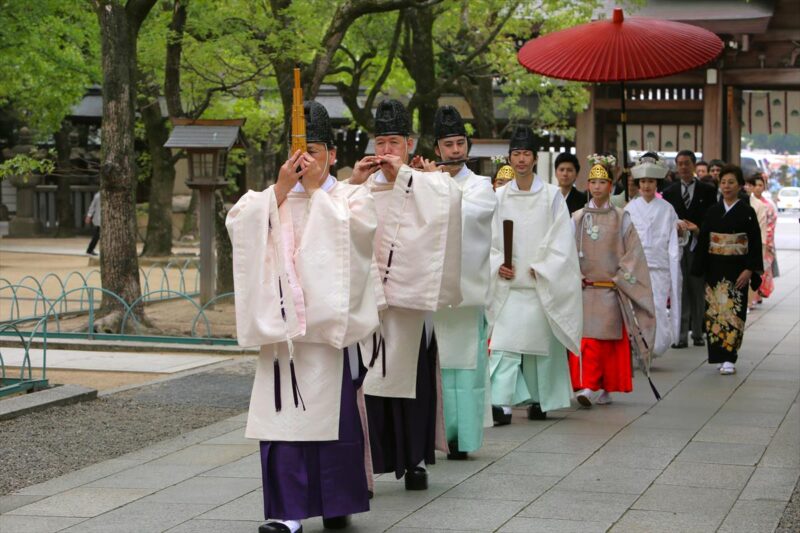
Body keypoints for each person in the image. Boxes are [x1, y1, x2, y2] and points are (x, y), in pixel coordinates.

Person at [227, 101, 379, 533]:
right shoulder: (268, 199)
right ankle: (287, 511)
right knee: (283, 421)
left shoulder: (348, 196)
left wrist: (316, 193)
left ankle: (336, 504)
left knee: (333, 420)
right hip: (282, 334)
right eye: (297, 150)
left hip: (326, 334)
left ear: (330, 153)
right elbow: (239, 224)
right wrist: (278, 192)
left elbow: (358, 238)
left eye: (313, 150)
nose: (304, 160)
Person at [350, 99, 462, 491]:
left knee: (409, 381)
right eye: (380, 143)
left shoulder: (426, 184)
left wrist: (415, 179)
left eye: (393, 142)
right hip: (367, 300)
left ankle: (414, 459)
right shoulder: (359, 187)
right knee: (366, 383)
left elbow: (450, 203)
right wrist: (351, 184)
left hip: (408, 302)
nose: (385, 152)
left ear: (410, 145)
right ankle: (365, 465)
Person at [488, 125, 583, 420]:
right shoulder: (499, 197)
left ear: (534, 157)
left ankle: (540, 400)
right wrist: (497, 264)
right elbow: (489, 240)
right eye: (516, 154)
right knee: (504, 345)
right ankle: (501, 402)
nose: (521, 160)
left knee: (540, 347)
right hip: (509, 285)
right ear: (508, 158)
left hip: (540, 281)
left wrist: (543, 267)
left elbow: (562, 241)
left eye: (526, 153)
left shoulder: (552, 196)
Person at [429, 106, 496, 459]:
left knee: (465, 371)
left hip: (465, 295)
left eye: (460, 143)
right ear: (437, 149)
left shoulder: (482, 186)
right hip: (431, 296)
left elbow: (472, 218)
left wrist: (433, 190)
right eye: (448, 145)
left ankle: (462, 440)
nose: (455, 151)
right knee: (432, 368)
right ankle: (431, 436)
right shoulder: (426, 182)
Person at [568, 158, 656, 407]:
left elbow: (634, 255)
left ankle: (601, 385)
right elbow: (565, 252)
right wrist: (574, 275)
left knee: (605, 341)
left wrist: (620, 278)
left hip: (610, 289)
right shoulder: (576, 218)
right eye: (593, 182)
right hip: (584, 288)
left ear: (610, 186)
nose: (597, 187)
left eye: (602, 182)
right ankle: (589, 384)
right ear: (587, 185)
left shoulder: (621, 217)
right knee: (587, 341)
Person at [692, 165, 763, 375]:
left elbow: (755, 243)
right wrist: (701, 270)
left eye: (731, 182)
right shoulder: (713, 211)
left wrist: (750, 269)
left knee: (734, 312)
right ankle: (717, 355)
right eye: (723, 182)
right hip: (715, 269)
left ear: (740, 185)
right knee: (715, 313)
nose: (726, 186)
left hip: (738, 269)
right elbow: (705, 239)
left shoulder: (747, 212)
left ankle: (730, 357)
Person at [625, 155, 682, 358]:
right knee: (636, 307)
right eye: (643, 181)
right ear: (638, 184)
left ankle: (655, 346)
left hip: (659, 266)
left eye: (650, 181)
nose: (647, 185)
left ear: (657, 183)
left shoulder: (667, 209)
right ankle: (638, 346)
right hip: (636, 267)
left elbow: (674, 241)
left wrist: (680, 235)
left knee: (657, 306)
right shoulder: (630, 209)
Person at [662, 150, 718, 348]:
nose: (683, 167)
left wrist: (698, 229)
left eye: (687, 163)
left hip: (697, 245)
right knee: (680, 289)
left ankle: (698, 333)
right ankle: (681, 334)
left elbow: (712, 219)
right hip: (676, 247)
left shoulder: (708, 190)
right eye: (680, 164)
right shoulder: (669, 192)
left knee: (696, 289)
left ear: (694, 165)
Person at [749, 173, 778, 300]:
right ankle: (753, 297)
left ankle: (757, 295)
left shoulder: (768, 205)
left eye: (761, 185)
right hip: (751, 239)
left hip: (764, 239)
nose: (758, 188)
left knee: (763, 269)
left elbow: (771, 224)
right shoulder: (747, 201)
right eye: (755, 185)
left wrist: (766, 241)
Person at [744, 175, 771, 308]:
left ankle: (749, 302)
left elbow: (762, 227)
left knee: (751, 274)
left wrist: (763, 246)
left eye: (750, 185)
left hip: (755, 243)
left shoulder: (760, 205)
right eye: (746, 185)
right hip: (739, 245)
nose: (747, 188)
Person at [85, 191, 101, 256]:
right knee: (97, 235)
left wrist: (89, 215)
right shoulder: (98, 195)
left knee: (97, 234)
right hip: (100, 218)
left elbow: (92, 206)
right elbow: (93, 206)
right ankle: (90, 250)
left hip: (100, 218)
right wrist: (89, 216)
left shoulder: (97, 195)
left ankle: (90, 249)